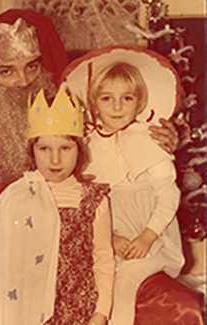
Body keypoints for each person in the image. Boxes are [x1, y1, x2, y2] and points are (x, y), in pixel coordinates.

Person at [0, 9, 179, 265]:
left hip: (91, 241)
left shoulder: (69, 104)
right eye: (6, 72)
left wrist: (161, 139)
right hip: (11, 254)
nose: (23, 81)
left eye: (32, 66)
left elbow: (120, 122)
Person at [61, 45, 204, 325]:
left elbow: (168, 196)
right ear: (93, 102)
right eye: (106, 98)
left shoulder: (150, 140)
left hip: (151, 238)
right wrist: (110, 240)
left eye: (127, 98)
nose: (117, 107)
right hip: (107, 238)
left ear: (139, 103)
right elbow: (88, 205)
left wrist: (147, 237)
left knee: (125, 280)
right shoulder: (88, 145)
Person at [0, 87, 115, 325]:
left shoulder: (94, 199)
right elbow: (4, 262)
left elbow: (103, 258)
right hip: (28, 306)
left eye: (66, 148)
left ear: (80, 149)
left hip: (78, 306)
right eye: (44, 148)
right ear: (31, 151)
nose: (55, 160)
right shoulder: (18, 196)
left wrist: (102, 312)